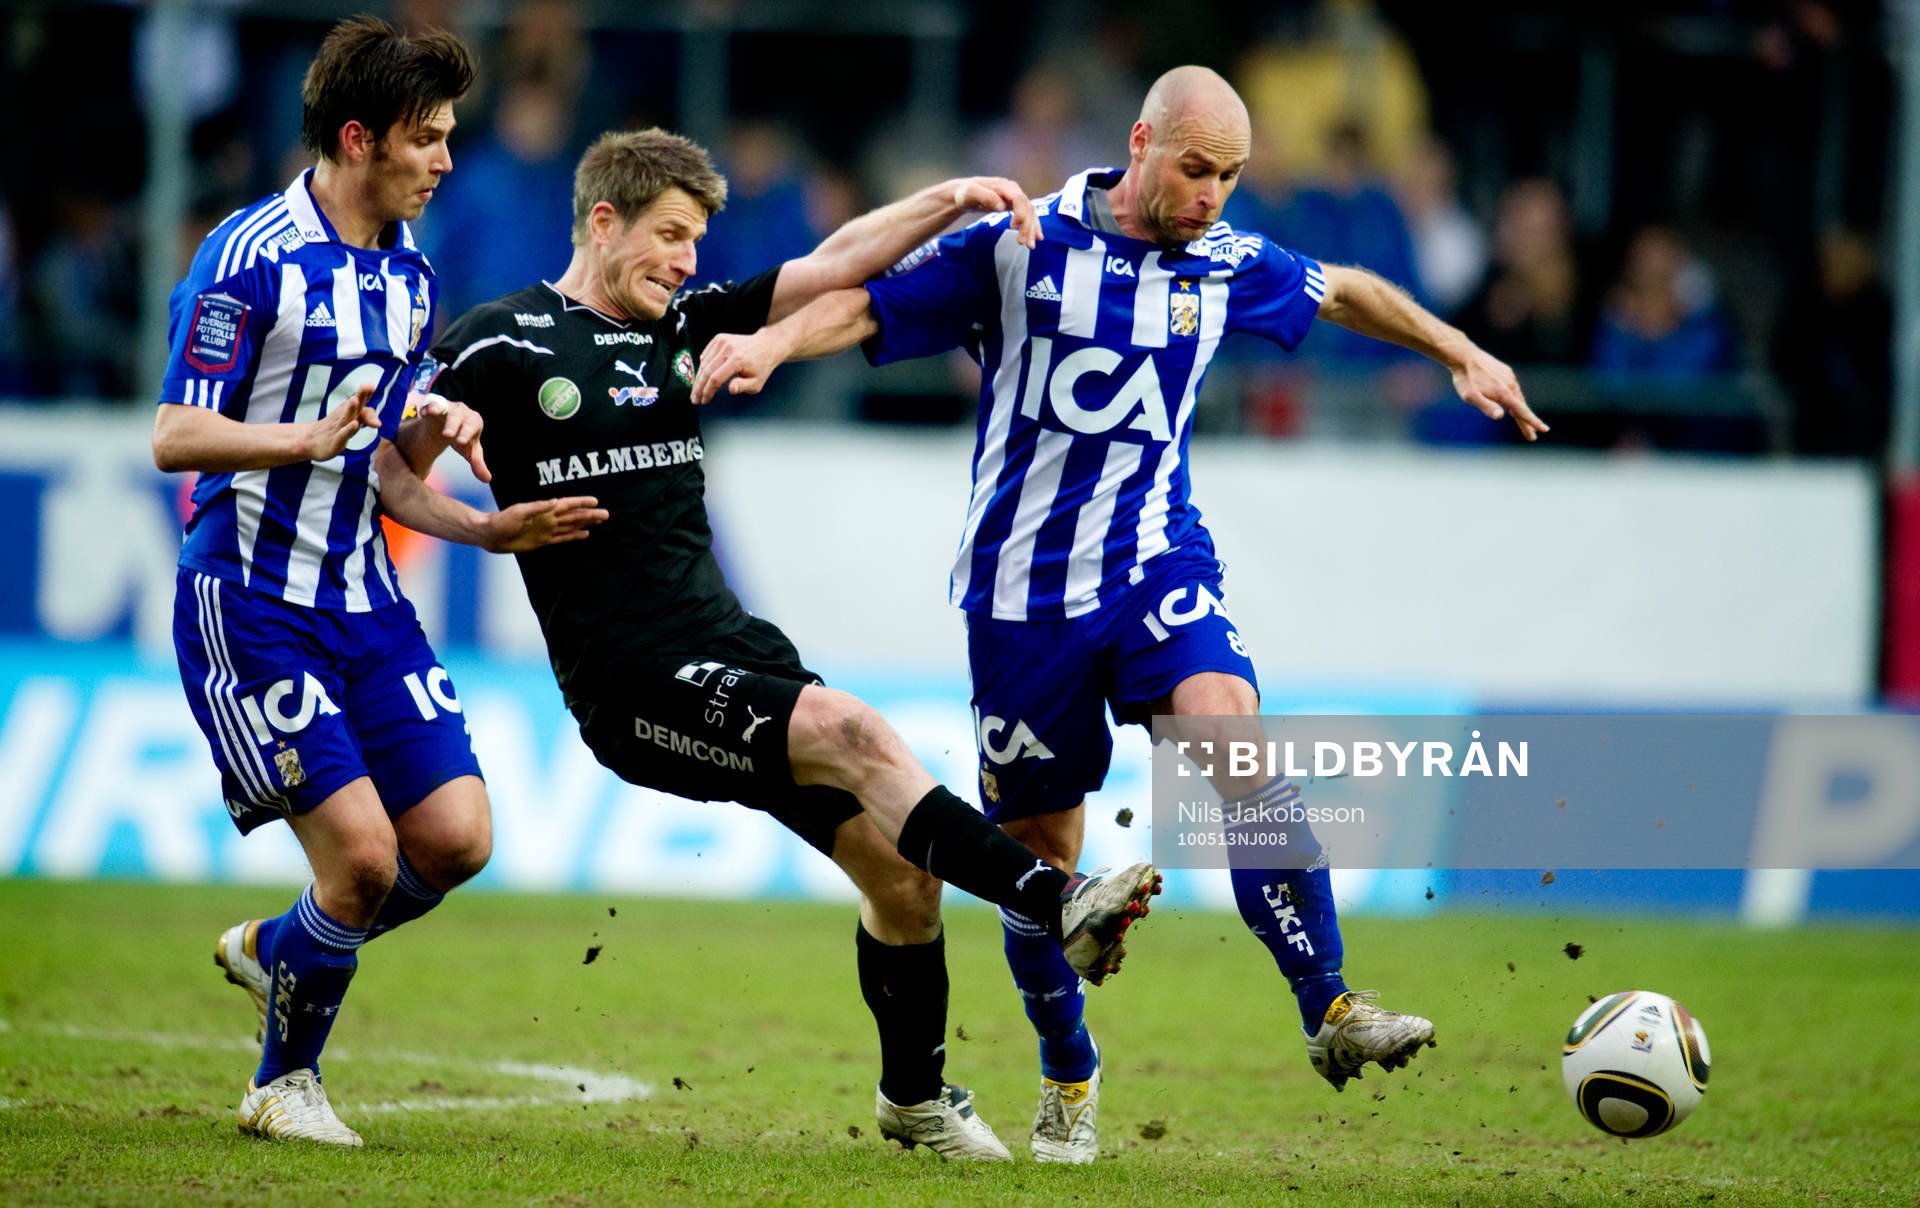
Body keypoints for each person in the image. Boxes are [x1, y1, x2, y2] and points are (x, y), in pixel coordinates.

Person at [692, 65, 1549, 1163]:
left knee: (1232, 737)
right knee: (1043, 858)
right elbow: (872, 302)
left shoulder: (1229, 259)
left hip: (1156, 564)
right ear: (1140, 142)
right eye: (1196, 169)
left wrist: (1462, 352)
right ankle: (1067, 1070)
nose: (1213, 196)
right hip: (1022, 600)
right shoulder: (1021, 241)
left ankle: (1328, 1008)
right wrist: (768, 341)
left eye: (1232, 177)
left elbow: (1344, 292)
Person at [422, 127, 1162, 1161]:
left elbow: (835, 262)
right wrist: (482, 525)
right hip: (633, 680)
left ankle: (915, 1098)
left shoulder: (683, 324)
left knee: (903, 876)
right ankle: (1058, 897)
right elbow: (388, 469)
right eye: (670, 236)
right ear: (603, 221)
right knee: (855, 728)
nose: (686, 261)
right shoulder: (501, 341)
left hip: (733, 646)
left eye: (696, 241)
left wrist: (947, 196)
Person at [152, 16, 607, 1148]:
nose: (448, 159)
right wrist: (297, 440)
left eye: (452, 136)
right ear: (360, 139)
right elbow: (172, 433)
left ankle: (284, 949)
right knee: (362, 858)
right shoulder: (247, 255)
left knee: (453, 840)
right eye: (429, 138)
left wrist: (485, 523)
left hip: (367, 603)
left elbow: (391, 478)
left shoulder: (407, 273)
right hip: (252, 603)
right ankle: (281, 1082)